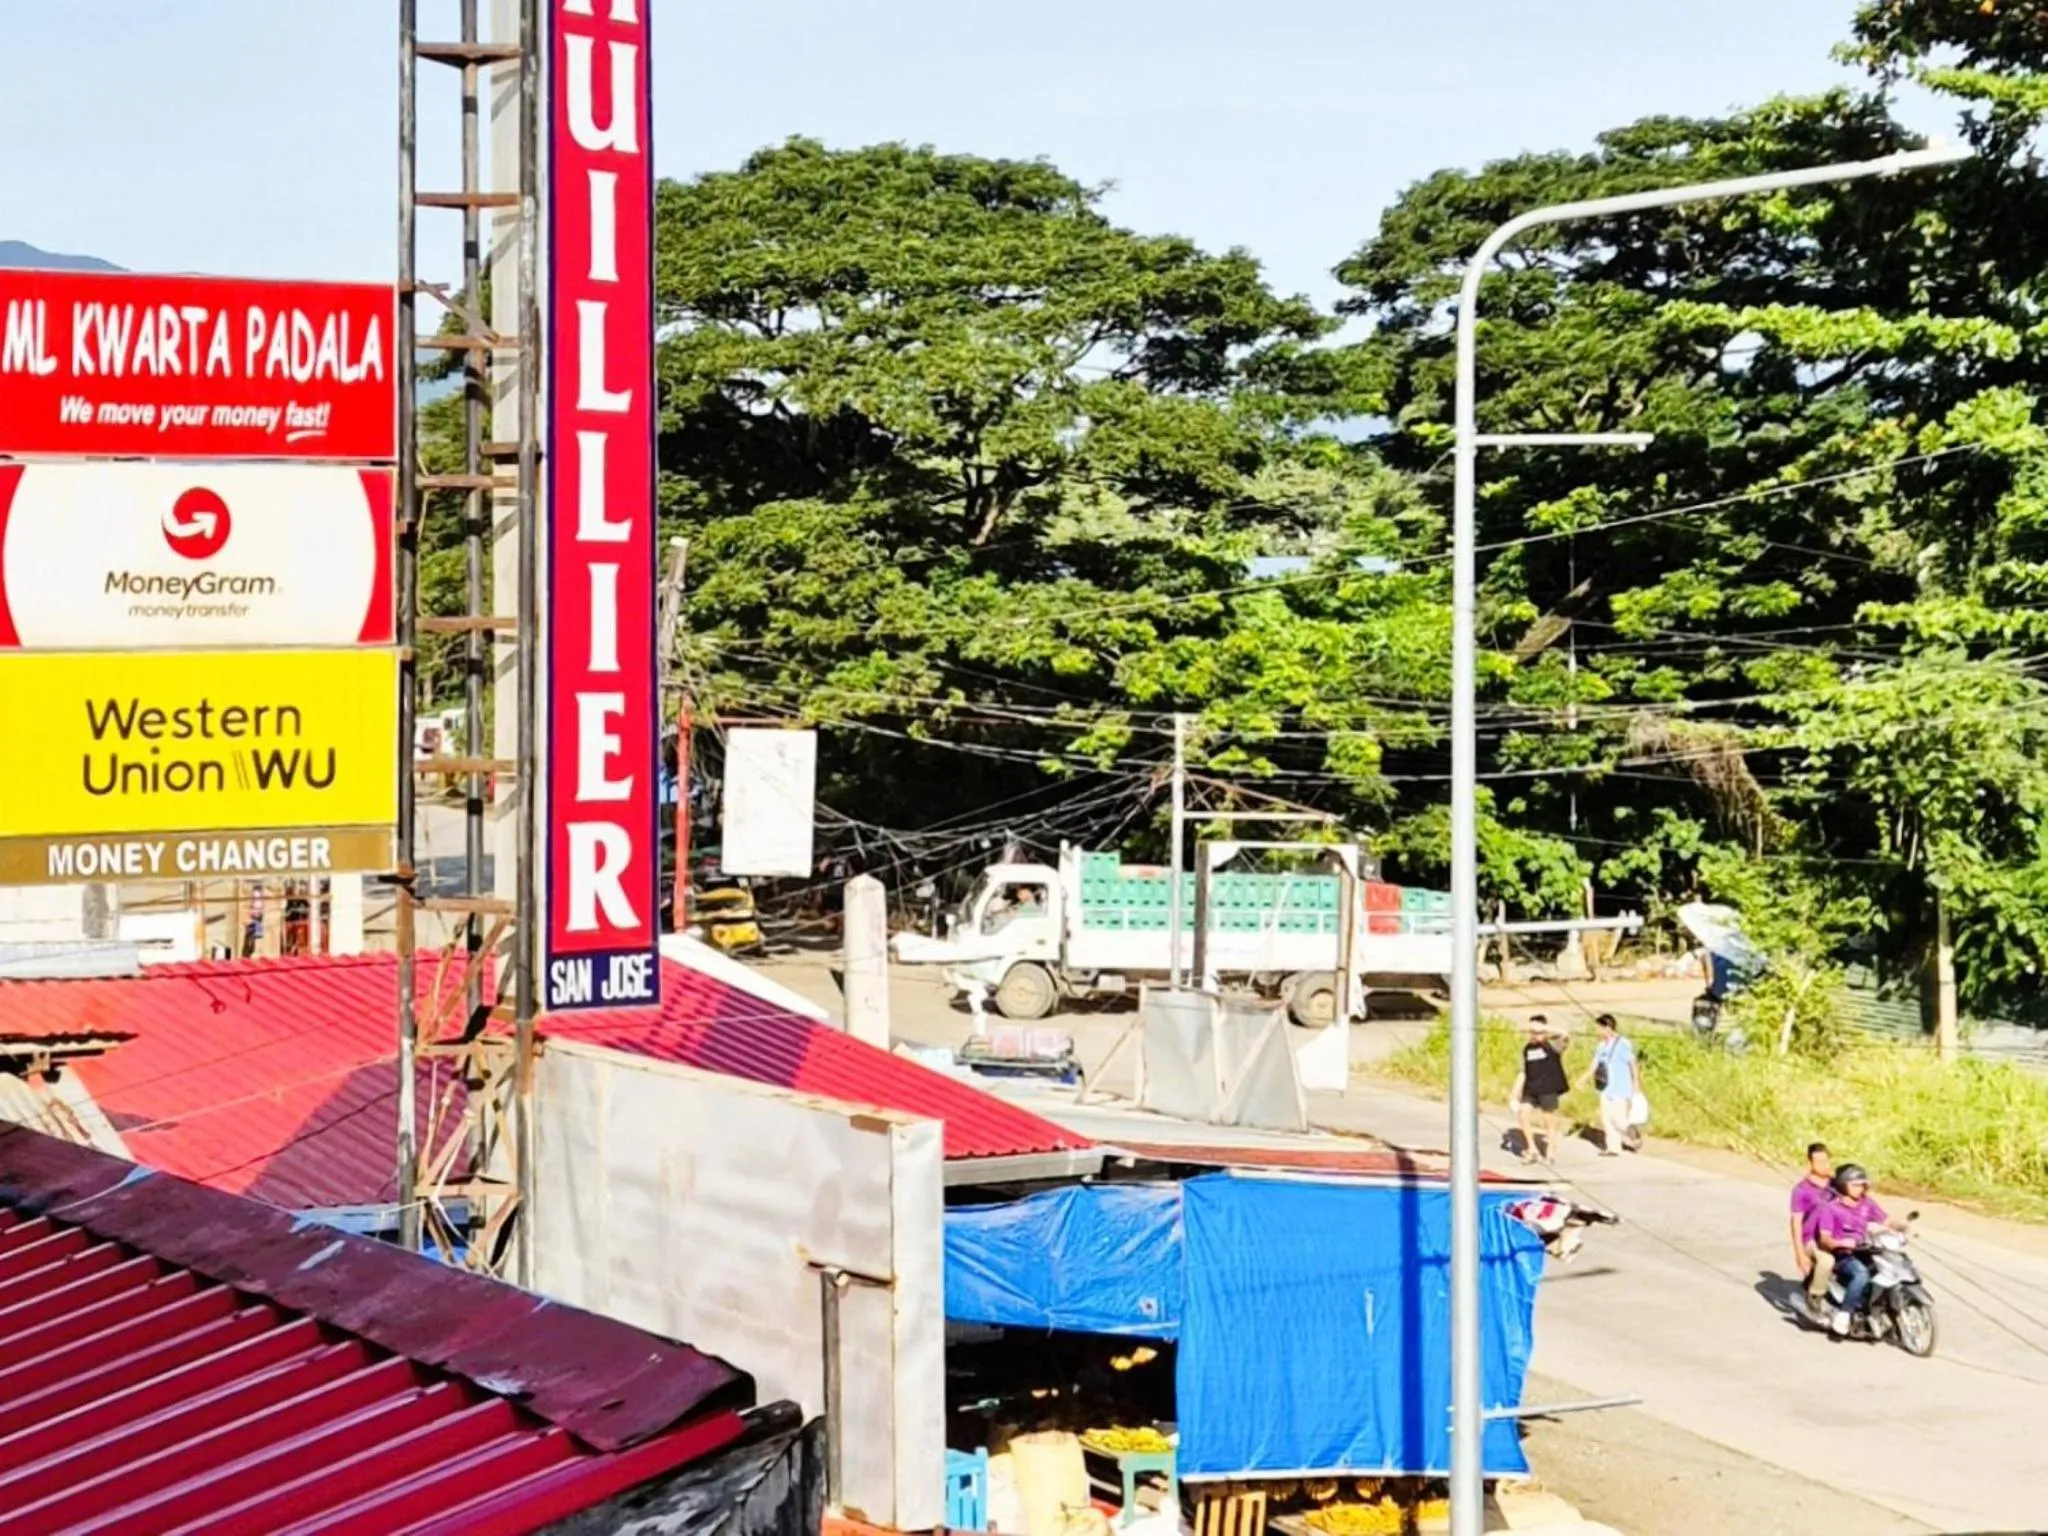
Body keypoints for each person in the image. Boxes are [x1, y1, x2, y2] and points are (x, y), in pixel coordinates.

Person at [1811, 1163, 1908, 1338]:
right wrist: (1840, 1243)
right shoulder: (1830, 1208)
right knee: (1861, 1274)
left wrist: (1901, 1226)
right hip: (1842, 1255)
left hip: (1864, 1250)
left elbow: (1886, 1222)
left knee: (1890, 1269)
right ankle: (1844, 1314)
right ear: (1843, 1185)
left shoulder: (1866, 1204)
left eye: (1863, 1184)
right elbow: (1824, 1239)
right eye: (1855, 1185)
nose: (1860, 1188)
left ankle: (1880, 1312)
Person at [1513, 1016, 1570, 1163]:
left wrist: (1544, 1029)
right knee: (1522, 1114)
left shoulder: (1552, 1045)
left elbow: (1565, 1034)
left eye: (1536, 1031)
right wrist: (1515, 1091)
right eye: (1531, 1031)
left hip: (1547, 1087)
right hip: (1531, 1088)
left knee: (1548, 1120)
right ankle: (1532, 1149)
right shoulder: (1527, 1048)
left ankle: (1550, 1152)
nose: (1533, 1034)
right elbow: (1523, 1071)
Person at [1581, 1014, 1639, 1157]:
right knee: (1607, 1118)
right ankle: (1613, 1147)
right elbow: (1594, 1065)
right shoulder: (1601, 1046)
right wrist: (1583, 1079)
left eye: (1599, 1028)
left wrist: (1635, 1082)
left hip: (1620, 1087)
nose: (1597, 1031)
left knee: (1619, 1119)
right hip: (1605, 1087)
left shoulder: (1622, 1044)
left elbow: (1632, 1064)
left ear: (1607, 1028)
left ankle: (1632, 1133)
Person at [1789, 1142, 1836, 1315]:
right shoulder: (1801, 1190)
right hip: (1812, 1240)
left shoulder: (1836, 1184)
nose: (1825, 1166)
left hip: (1835, 1235)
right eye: (1820, 1162)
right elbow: (1795, 1222)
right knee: (1826, 1261)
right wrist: (1800, 1254)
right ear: (1810, 1164)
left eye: (1827, 1161)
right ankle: (1815, 1297)